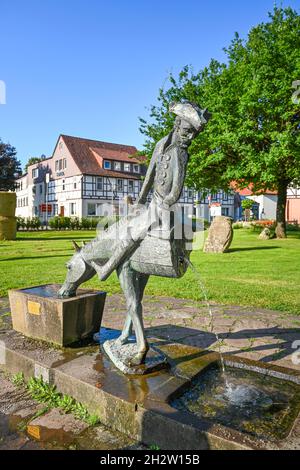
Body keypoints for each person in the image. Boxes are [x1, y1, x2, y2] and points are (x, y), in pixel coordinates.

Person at [91, 101, 211, 281]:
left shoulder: (181, 153)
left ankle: (105, 270)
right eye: (187, 131)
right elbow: (149, 176)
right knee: (127, 224)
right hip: (154, 202)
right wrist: (139, 202)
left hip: (163, 206)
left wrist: (165, 204)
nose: (190, 137)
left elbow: (176, 189)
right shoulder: (161, 144)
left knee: (133, 232)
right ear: (177, 124)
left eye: (194, 134)